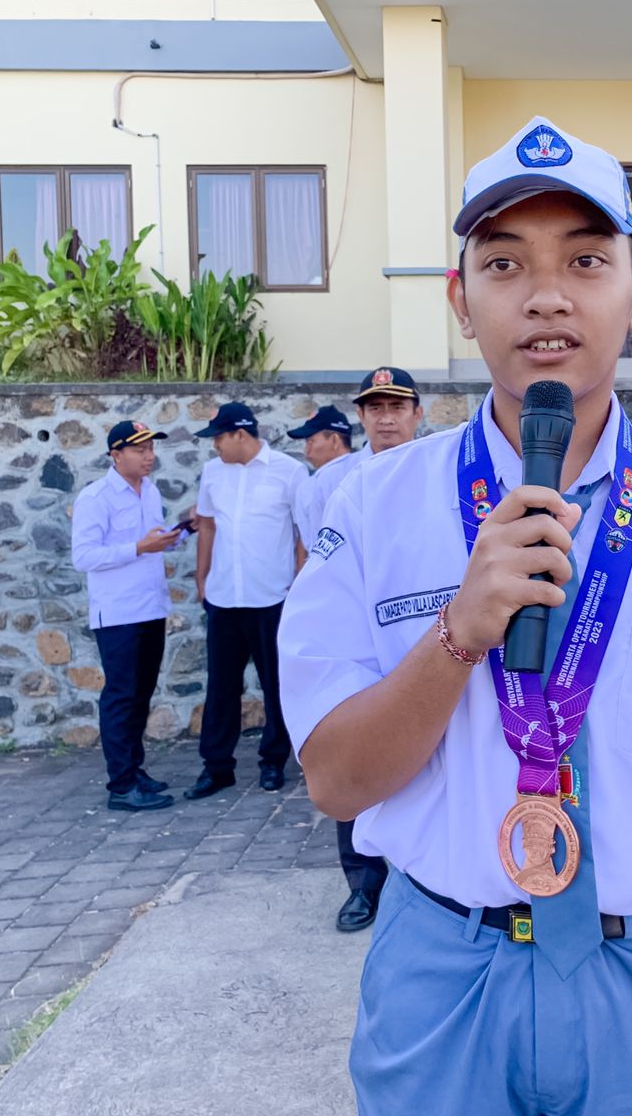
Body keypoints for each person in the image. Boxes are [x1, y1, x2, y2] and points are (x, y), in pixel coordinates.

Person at [279, 116, 632, 1116]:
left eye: (585, 259)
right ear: (459, 300)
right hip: (445, 974)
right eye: (503, 263)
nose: (545, 295)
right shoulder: (367, 508)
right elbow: (336, 782)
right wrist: (456, 636)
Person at [291, 372, 423, 935]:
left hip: (424, 635)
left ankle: (428, 880)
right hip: (359, 643)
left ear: (419, 412)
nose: (386, 417)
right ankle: (363, 886)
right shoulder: (332, 481)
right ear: (360, 418)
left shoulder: (446, 473)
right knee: (356, 758)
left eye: (396, 406)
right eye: (375, 407)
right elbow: (315, 562)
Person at [71, 420, 192, 812]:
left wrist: (182, 531)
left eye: (151, 448)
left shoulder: (150, 491)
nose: (149, 456)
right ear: (115, 455)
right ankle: (120, 785)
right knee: (120, 698)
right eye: (139, 449)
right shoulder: (96, 497)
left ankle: (134, 770)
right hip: (118, 613)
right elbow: (84, 556)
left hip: (151, 607)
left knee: (140, 696)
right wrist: (139, 547)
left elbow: (153, 544)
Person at [188, 401, 305, 799]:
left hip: (272, 598)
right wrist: (201, 578)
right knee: (220, 688)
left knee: (276, 686)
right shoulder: (212, 474)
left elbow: (303, 533)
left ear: (241, 435)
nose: (215, 446)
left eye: (219, 438)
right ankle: (216, 767)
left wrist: (300, 586)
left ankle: (273, 761)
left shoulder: (289, 472)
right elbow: (206, 526)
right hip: (223, 598)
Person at [290, 405, 360, 566]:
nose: (306, 448)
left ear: (335, 440)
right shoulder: (363, 469)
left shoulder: (358, 472)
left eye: (311, 440)